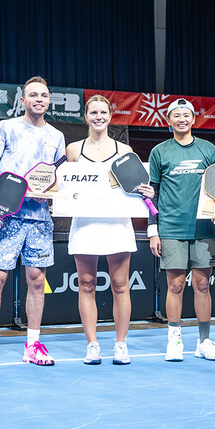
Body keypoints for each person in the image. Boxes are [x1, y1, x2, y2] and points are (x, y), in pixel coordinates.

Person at [0, 77, 66, 368]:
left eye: (44, 95)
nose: (39, 99)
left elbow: (58, 178)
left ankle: (32, 345)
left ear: (48, 100)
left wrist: (51, 191)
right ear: (23, 100)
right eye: (33, 95)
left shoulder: (56, 136)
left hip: (39, 218)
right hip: (6, 215)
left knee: (37, 281)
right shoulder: (6, 127)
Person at [65, 95, 148, 365]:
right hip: (85, 223)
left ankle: (121, 345)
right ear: (86, 117)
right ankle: (92, 345)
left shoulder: (125, 150)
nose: (98, 117)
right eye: (93, 113)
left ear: (110, 117)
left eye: (103, 112)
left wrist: (146, 191)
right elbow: (66, 187)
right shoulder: (73, 150)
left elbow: (135, 185)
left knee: (120, 285)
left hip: (117, 224)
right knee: (86, 284)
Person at [147, 98, 215, 362]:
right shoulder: (159, 151)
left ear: (193, 119)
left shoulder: (208, 149)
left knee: (202, 285)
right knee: (176, 285)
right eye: (176, 115)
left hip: (204, 228)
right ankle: (174, 340)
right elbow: (152, 194)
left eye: (186, 115)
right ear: (168, 120)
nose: (181, 119)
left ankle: (204, 342)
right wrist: (153, 230)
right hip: (171, 228)